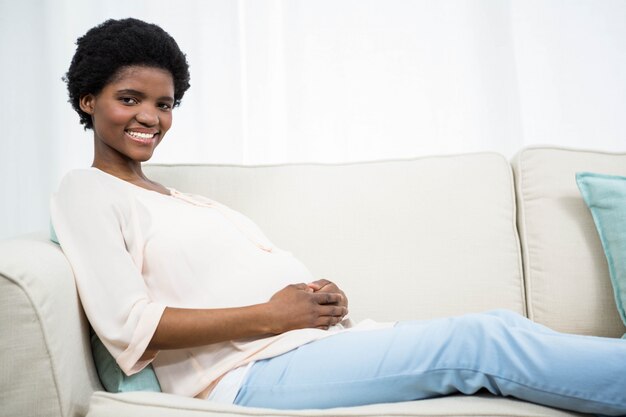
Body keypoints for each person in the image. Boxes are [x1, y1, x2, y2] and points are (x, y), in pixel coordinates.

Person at [51, 18, 626, 415]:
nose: (149, 116)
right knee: (485, 340)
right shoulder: (86, 191)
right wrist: (275, 314)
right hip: (245, 380)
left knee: (501, 329)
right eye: (130, 98)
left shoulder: (175, 196)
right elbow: (129, 326)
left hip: (301, 349)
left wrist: (314, 300)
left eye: (164, 103)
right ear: (88, 100)